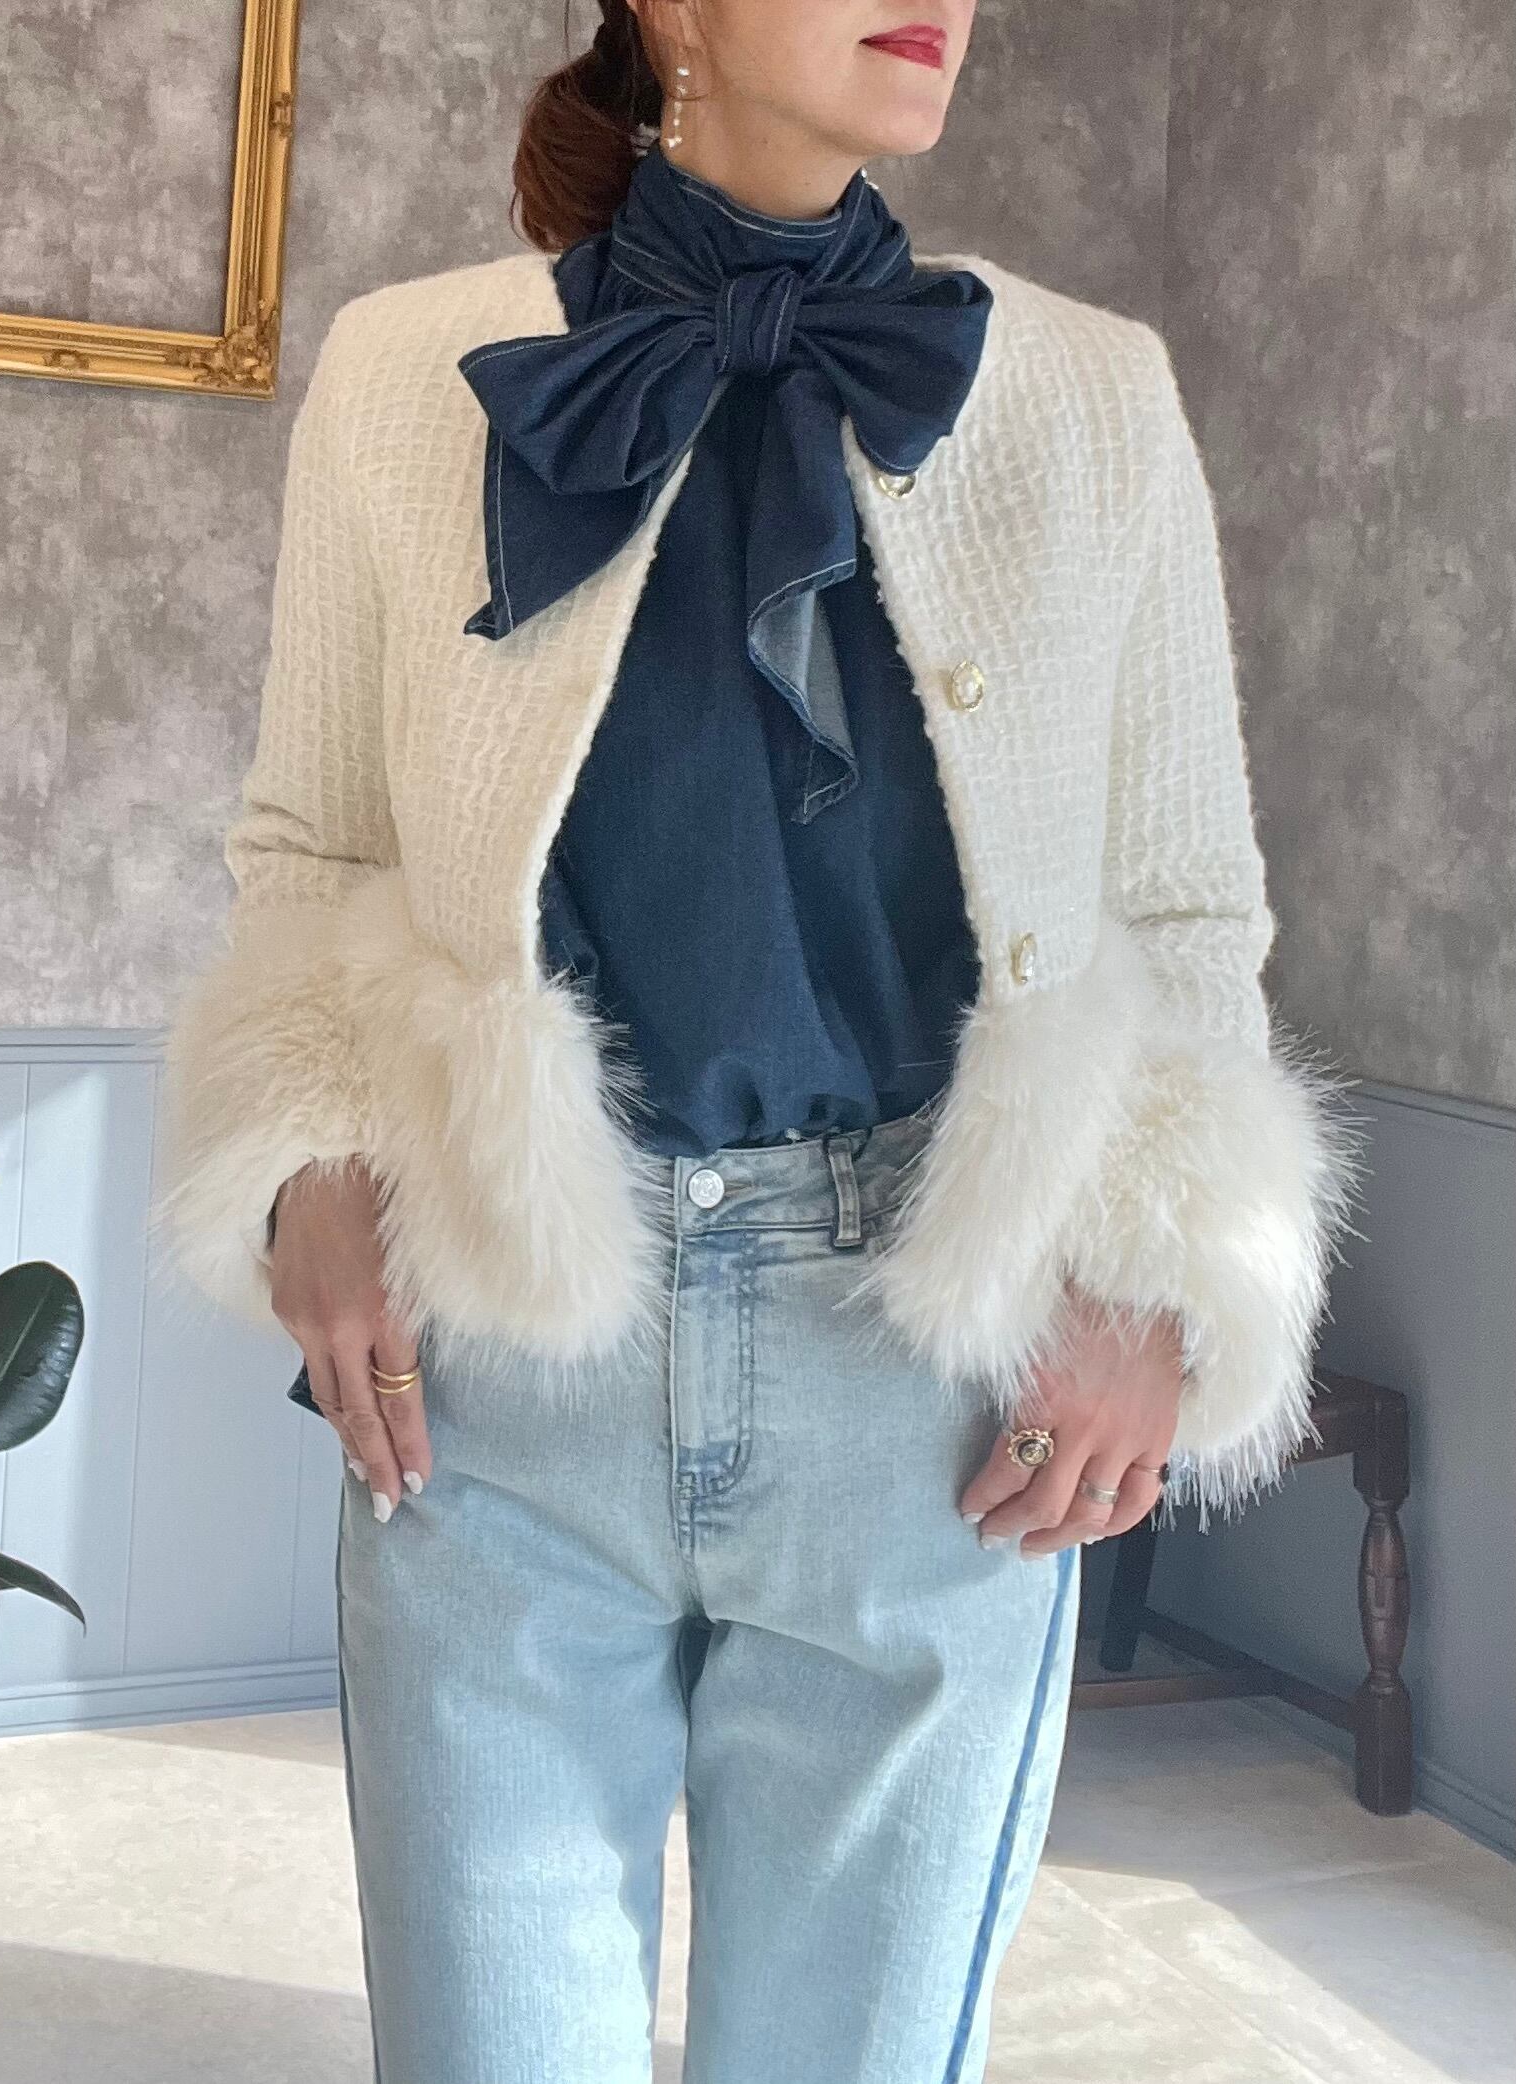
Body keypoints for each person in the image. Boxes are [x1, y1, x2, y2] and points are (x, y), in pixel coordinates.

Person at [158, 3, 1357, 2077]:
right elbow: (312, 841)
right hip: (500, 1368)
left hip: (931, 1395)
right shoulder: (403, 369)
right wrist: (306, 1164)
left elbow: (1183, 901)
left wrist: (1153, 1275)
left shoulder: (1090, 393)